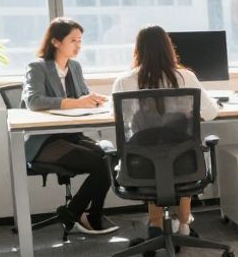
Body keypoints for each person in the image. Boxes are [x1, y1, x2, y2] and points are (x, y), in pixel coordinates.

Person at [110, 25, 219, 239]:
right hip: (185, 164)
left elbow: (116, 117)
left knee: (152, 151)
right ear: (169, 48)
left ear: (138, 49)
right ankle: (185, 223)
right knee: (180, 151)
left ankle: (156, 223)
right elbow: (210, 112)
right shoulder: (186, 77)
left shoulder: (124, 81)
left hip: (140, 167)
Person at [21, 18, 118, 235]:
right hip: (46, 141)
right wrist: (76, 102)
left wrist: (93, 99)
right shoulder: (36, 67)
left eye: (80, 40)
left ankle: (86, 213)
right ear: (56, 42)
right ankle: (77, 212)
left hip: (71, 136)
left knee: (110, 156)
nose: (78, 45)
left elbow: (83, 94)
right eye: (73, 40)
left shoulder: (74, 66)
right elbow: (34, 101)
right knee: (100, 163)